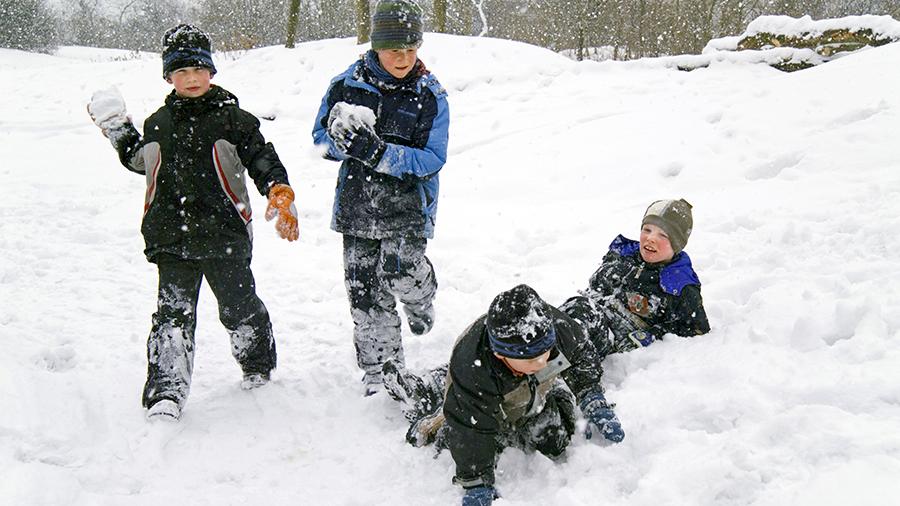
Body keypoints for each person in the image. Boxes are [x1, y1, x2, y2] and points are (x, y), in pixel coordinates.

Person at [87, 24, 299, 421]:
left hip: (224, 235)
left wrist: (279, 190)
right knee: (172, 317)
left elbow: (261, 158)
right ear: (169, 77)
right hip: (171, 235)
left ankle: (257, 365)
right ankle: (166, 391)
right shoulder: (157, 123)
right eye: (181, 72)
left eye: (198, 70)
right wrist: (117, 128)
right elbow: (142, 160)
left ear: (212, 72)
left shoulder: (234, 120)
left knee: (238, 307)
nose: (192, 79)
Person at [311, 0, 449, 395]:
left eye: (410, 48)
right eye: (393, 50)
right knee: (364, 292)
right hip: (357, 205)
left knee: (401, 270)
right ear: (375, 46)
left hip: (408, 203)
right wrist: (339, 143)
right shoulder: (346, 84)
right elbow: (319, 140)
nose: (403, 57)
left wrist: (379, 153)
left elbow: (433, 158)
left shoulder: (430, 94)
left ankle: (422, 298)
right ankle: (380, 372)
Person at [382, 284, 624, 505]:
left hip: (538, 386)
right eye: (531, 358)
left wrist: (592, 397)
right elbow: (471, 428)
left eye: (546, 352)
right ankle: (438, 413)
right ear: (502, 355)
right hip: (483, 393)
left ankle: (551, 395)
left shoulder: (553, 328)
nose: (542, 361)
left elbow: (581, 355)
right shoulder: (473, 364)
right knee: (469, 426)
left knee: (555, 441)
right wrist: (476, 481)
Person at [560, 198, 710, 359]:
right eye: (647, 230)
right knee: (551, 314)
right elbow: (595, 286)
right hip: (588, 314)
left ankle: (550, 371)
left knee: (578, 314)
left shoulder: (678, 283)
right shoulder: (623, 254)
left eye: (663, 235)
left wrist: (651, 335)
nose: (651, 238)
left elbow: (697, 328)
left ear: (677, 244)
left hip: (613, 335)